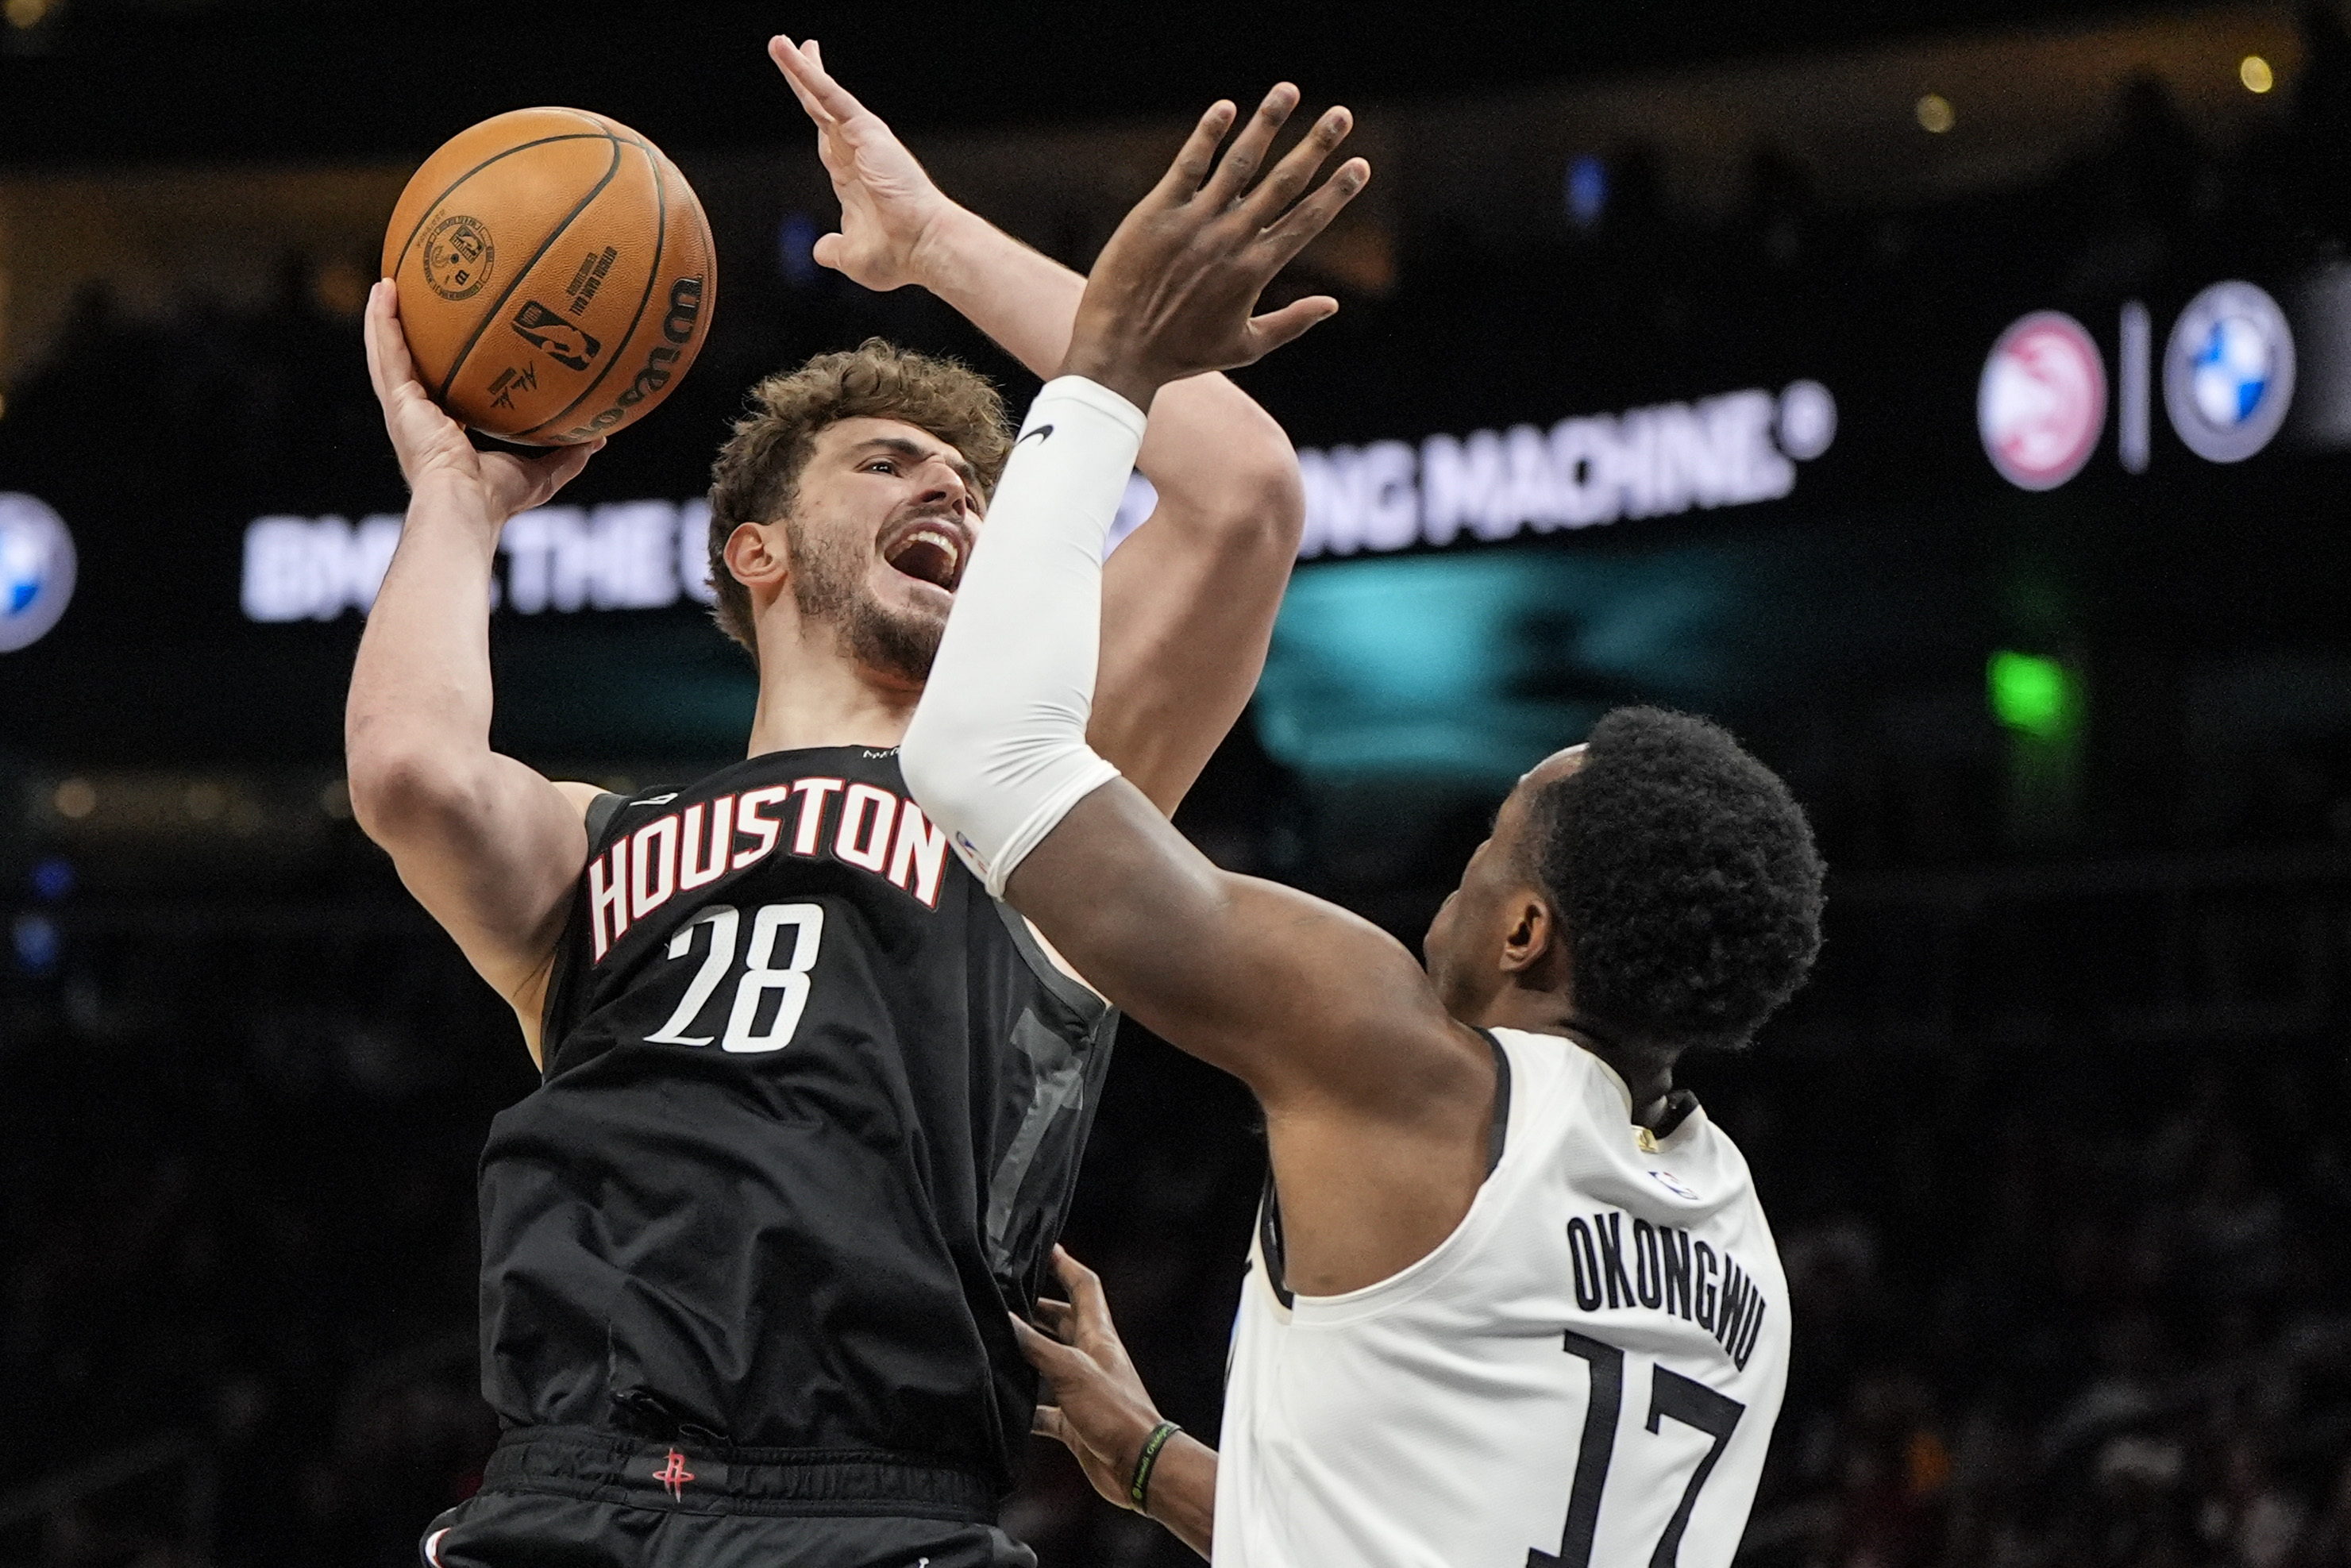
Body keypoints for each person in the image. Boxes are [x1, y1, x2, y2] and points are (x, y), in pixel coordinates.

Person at [346, 38, 1343, 1568]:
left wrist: (932, 241)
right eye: (894, 465)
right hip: (561, 1494)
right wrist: (457, 500)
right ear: (756, 553)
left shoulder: (1039, 795)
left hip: (872, 1509)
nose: (954, 492)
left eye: (979, 486)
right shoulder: (595, 847)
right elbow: (411, 770)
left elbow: (1243, 494)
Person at [897, 98, 1825, 1566]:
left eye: (1483, 850)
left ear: (1529, 932)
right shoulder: (1735, 1243)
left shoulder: (1403, 1064)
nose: (1441, 893)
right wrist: (1149, 1462)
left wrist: (1113, 371)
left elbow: (980, 753)